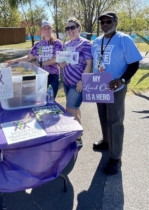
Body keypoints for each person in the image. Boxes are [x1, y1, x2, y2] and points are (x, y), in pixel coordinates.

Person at [91, 12, 142, 175]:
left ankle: (115, 158)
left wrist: (122, 80)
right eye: (102, 22)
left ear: (116, 22)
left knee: (115, 122)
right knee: (103, 117)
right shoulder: (96, 41)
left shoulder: (124, 39)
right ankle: (107, 142)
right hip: (99, 87)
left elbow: (134, 64)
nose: (105, 24)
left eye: (108, 21)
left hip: (115, 88)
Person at [59, 18, 92, 148]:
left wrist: (83, 80)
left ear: (79, 28)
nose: (70, 30)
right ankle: (79, 129)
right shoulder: (66, 44)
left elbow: (89, 63)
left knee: (70, 109)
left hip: (77, 83)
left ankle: (77, 138)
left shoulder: (86, 43)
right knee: (75, 108)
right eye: (67, 28)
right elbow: (63, 63)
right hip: (66, 81)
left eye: (72, 27)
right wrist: (62, 64)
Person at [7, 21, 63, 98]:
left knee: (50, 100)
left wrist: (40, 63)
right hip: (40, 76)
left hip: (53, 76)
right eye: (44, 28)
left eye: (48, 28)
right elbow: (28, 57)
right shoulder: (38, 44)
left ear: (52, 29)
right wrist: (15, 60)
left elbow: (56, 59)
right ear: (41, 31)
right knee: (39, 99)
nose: (47, 30)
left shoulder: (57, 43)